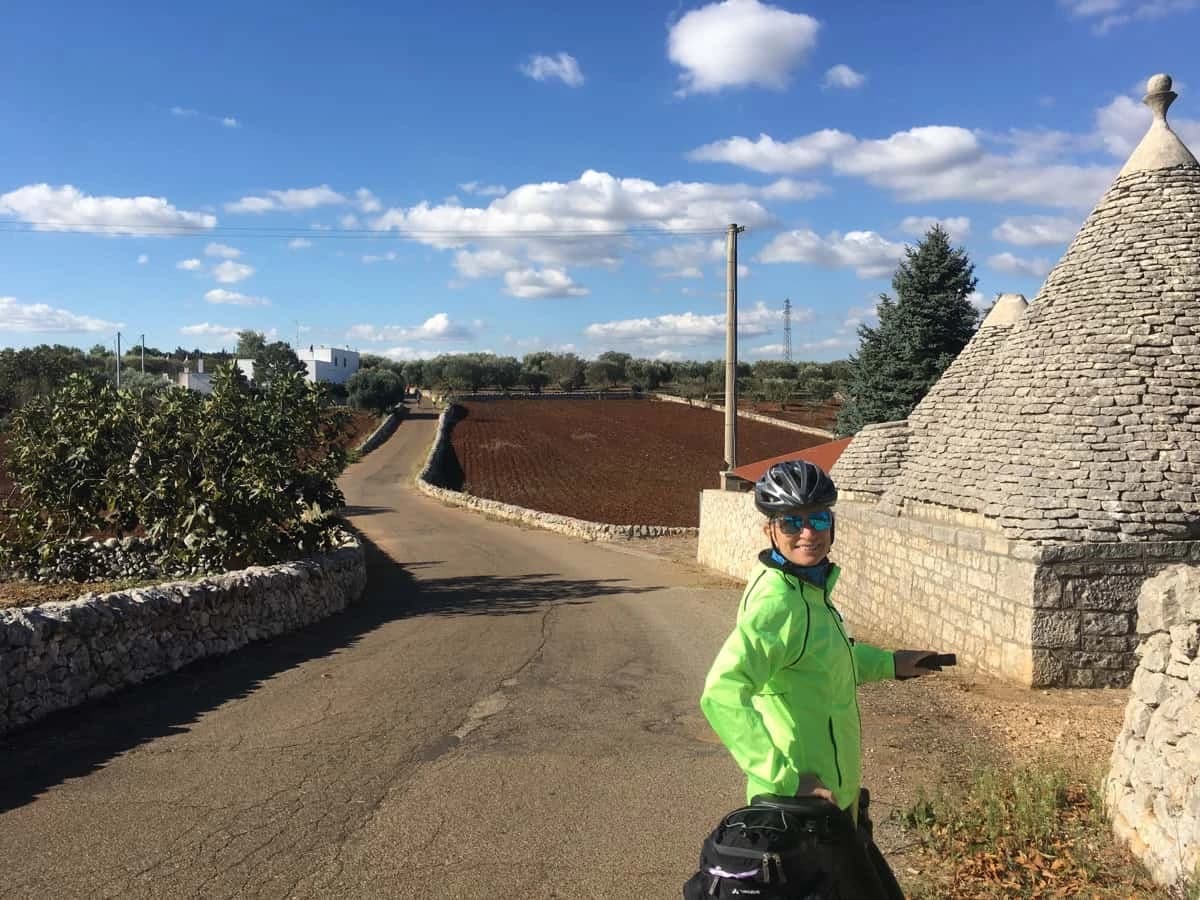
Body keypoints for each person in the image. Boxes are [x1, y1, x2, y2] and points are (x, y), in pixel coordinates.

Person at [699, 460, 947, 896]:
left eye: (817, 518)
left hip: (833, 800)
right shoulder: (779, 604)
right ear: (770, 531)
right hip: (799, 807)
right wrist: (789, 779)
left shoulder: (810, 592)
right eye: (792, 521)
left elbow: (830, 662)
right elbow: (722, 693)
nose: (807, 533)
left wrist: (892, 663)